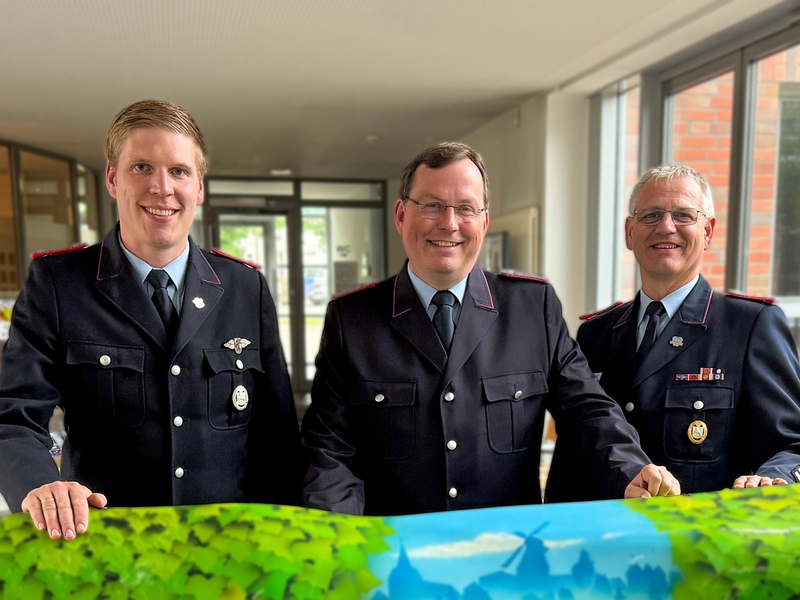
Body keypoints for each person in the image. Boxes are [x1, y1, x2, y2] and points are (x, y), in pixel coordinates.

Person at [300, 142, 680, 516]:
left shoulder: (532, 307)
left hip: (506, 552)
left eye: (466, 208)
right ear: (401, 215)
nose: (449, 223)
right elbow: (331, 448)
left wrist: (631, 468)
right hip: (397, 554)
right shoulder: (352, 320)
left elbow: (586, 409)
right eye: (432, 205)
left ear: (483, 222)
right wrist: (337, 536)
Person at [0, 100, 300, 539]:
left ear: (199, 187)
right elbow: (13, 415)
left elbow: (277, 440)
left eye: (179, 171)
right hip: (108, 550)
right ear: (112, 178)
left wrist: (288, 542)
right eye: (142, 167)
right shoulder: (59, 285)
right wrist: (39, 484)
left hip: (227, 551)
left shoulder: (244, 287)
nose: (162, 187)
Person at [546, 165, 800, 502]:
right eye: (651, 215)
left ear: (708, 232)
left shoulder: (750, 326)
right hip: (606, 538)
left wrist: (773, 477)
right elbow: (575, 449)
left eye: (683, 215)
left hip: (697, 542)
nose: (666, 227)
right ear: (629, 232)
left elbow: (792, 443)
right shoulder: (597, 333)